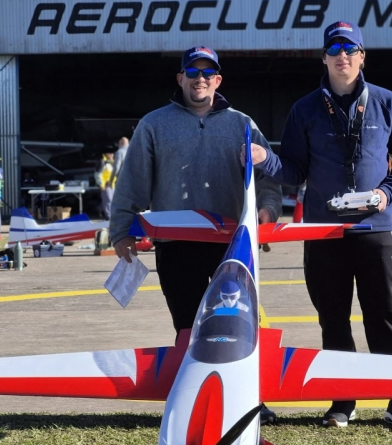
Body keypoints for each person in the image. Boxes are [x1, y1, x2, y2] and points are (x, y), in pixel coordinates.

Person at [251, 21, 392, 431]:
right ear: (324, 57)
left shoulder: (387, 103)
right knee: (333, 319)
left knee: (384, 316)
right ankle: (343, 399)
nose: (342, 55)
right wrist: (264, 160)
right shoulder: (305, 109)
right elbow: (293, 169)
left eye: (351, 48)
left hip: (374, 230)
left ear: (362, 56)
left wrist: (386, 193)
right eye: (335, 49)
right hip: (324, 233)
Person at [109, 45, 282, 425]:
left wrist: (267, 211)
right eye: (193, 72)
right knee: (188, 327)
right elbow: (133, 181)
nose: (200, 78)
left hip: (231, 246)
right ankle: (191, 395)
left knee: (238, 325)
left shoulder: (243, 123)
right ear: (180, 78)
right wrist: (120, 227)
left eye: (208, 73)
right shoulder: (153, 124)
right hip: (176, 244)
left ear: (217, 80)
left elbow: (269, 175)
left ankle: (252, 398)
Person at [95, 151, 115, 220]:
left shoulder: (113, 162)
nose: (111, 155)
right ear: (106, 154)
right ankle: (108, 216)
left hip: (113, 185)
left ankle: (99, 208)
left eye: (112, 153)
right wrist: (101, 184)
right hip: (106, 185)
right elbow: (97, 174)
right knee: (108, 200)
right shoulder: (102, 162)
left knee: (112, 200)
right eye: (110, 153)